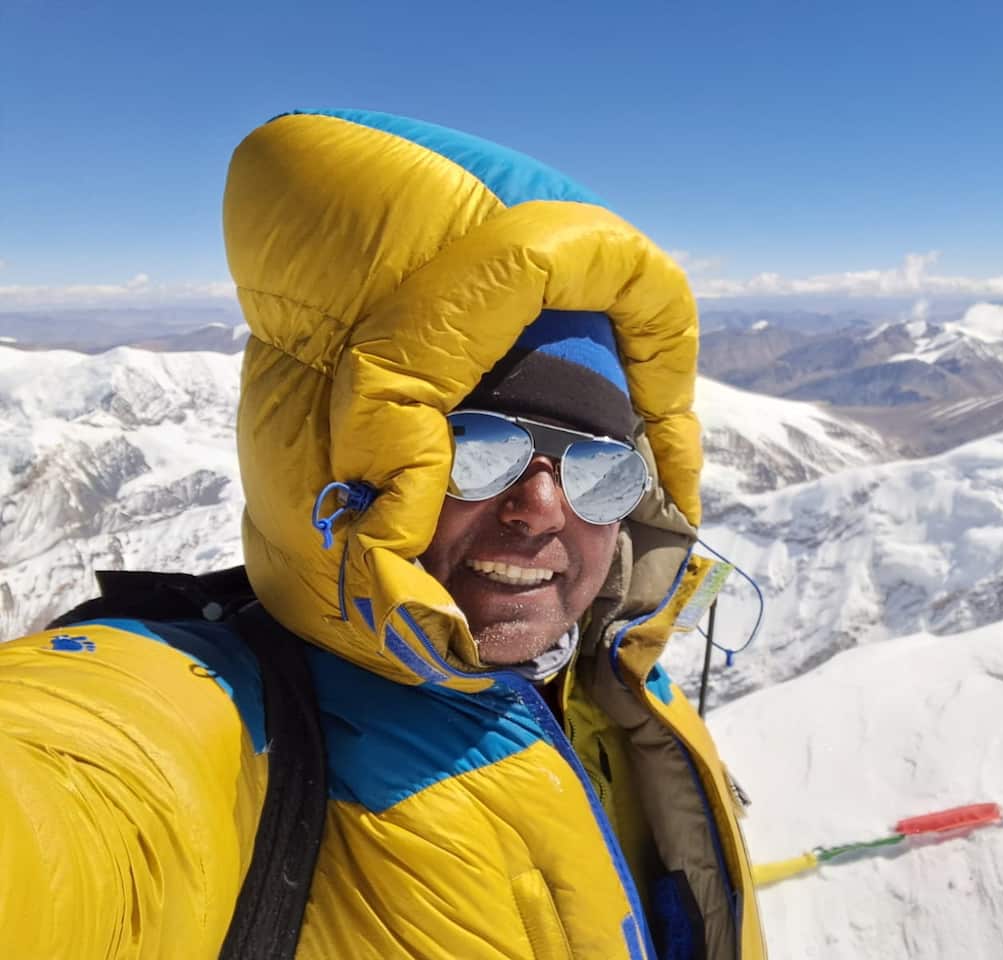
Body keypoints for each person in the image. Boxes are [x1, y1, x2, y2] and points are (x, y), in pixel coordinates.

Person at [0, 109, 766, 959]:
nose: (544, 508)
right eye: (474, 447)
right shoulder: (215, 728)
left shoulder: (625, 693)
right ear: (346, 464)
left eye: (601, 468)